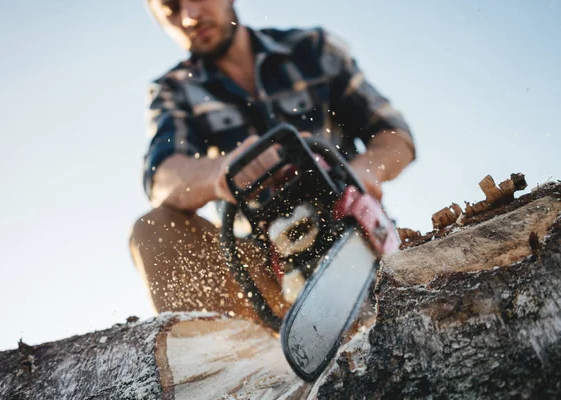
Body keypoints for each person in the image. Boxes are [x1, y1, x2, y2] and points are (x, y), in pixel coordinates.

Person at [129, 0, 416, 324]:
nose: (190, 16)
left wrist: (361, 174)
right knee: (153, 229)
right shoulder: (175, 90)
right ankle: (241, 357)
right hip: (263, 273)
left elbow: (395, 135)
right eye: (172, 9)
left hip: (354, 241)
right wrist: (221, 173)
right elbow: (161, 176)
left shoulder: (311, 48)